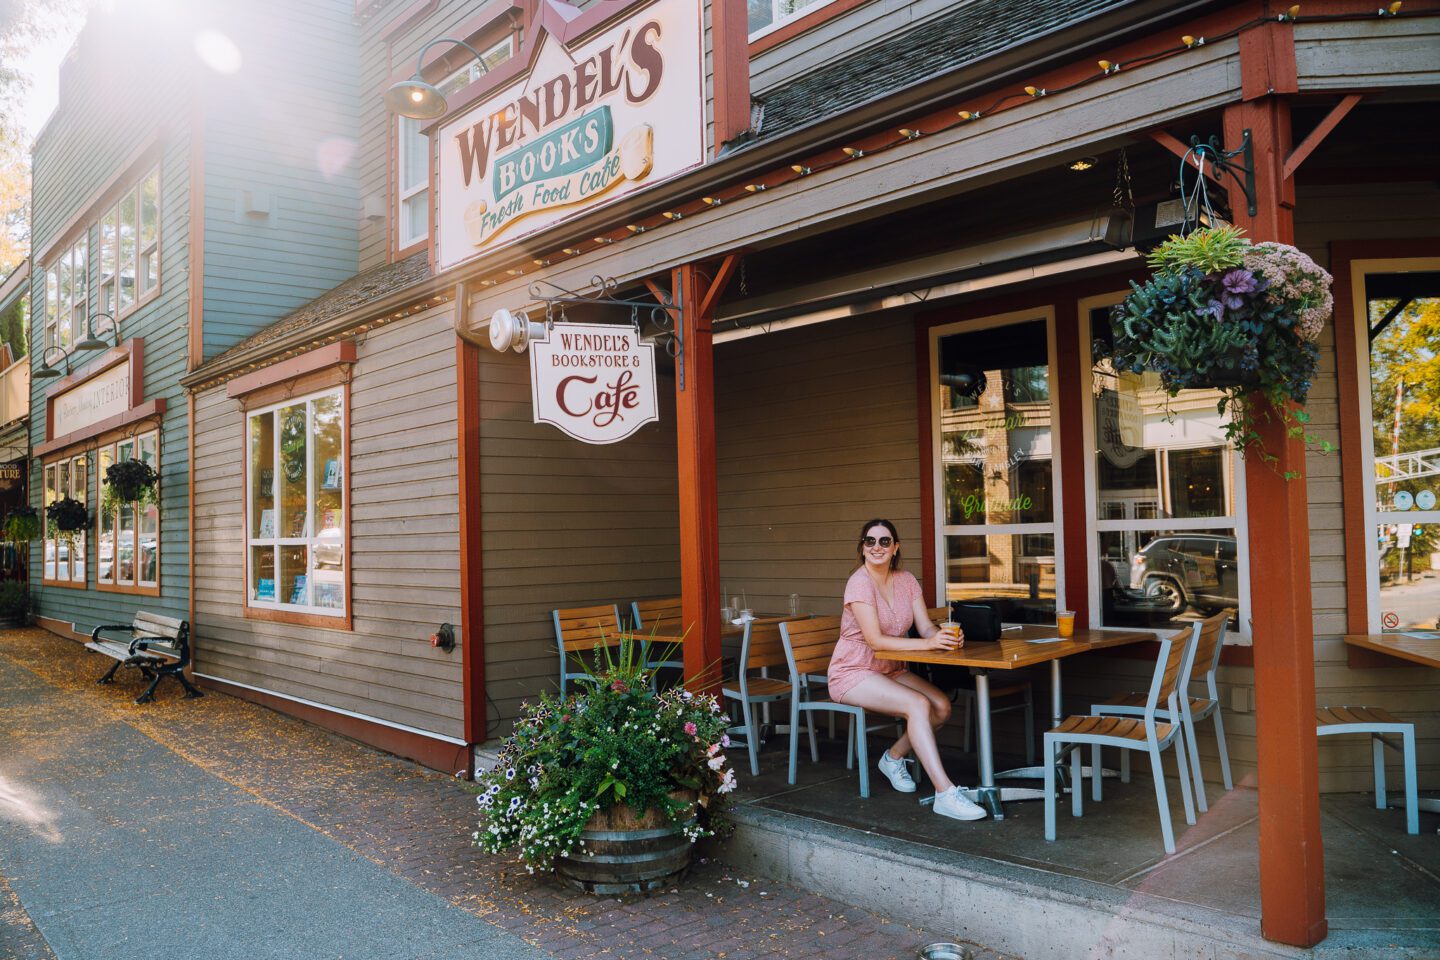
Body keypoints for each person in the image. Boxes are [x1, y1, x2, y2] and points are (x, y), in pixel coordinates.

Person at [828, 519, 987, 821]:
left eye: (884, 541)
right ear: (862, 548)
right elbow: (874, 641)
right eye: (870, 541)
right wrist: (928, 646)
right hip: (853, 671)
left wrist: (942, 636)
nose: (877, 547)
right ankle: (944, 793)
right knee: (917, 704)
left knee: (940, 707)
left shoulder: (906, 580)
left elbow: (925, 626)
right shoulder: (859, 582)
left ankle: (893, 758)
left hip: (889, 668)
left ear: (895, 547)